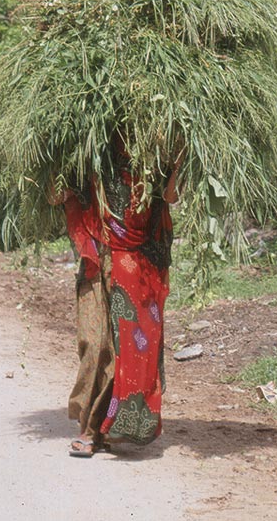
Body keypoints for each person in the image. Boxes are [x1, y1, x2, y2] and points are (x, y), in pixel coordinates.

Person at [50, 144, 179, 457]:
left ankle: (99, 429)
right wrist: (54, 157)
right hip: (97, 256)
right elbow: (56, 197)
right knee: (95, 344)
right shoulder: (92, 152)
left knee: (128, 348)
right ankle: (90, 425)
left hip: (139, 265)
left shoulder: (155, 156)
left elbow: (171, 197)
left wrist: (177, 161)